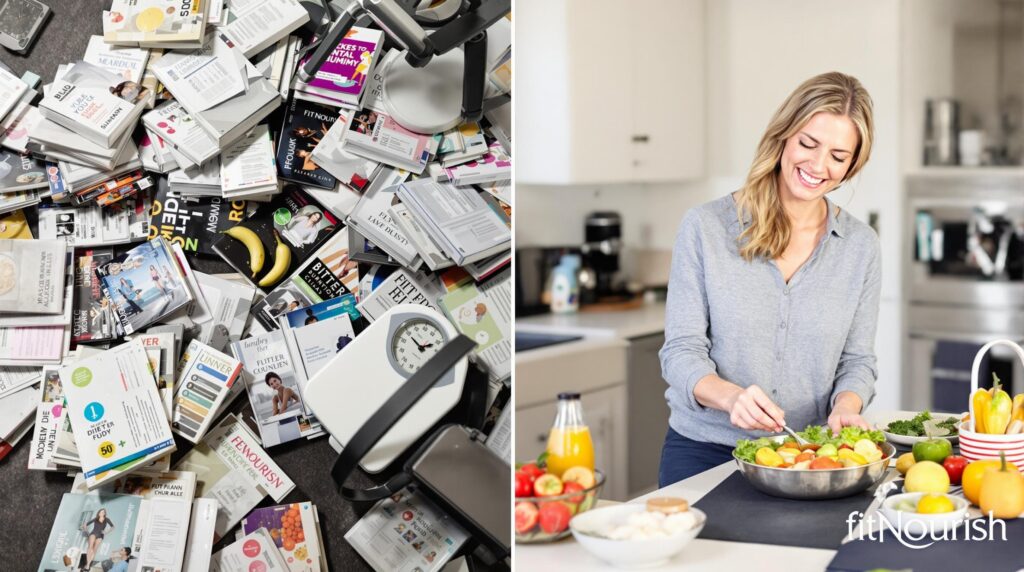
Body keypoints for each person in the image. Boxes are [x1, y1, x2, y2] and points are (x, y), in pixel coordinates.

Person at [658, 72, 880, 486]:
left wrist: (847, 406)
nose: (817, 166)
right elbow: (681, 353)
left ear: (852, 165)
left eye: (838, 155)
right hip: (704, 452)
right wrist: (732, 398)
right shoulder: (706, 227)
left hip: (808, 459)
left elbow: (857, 361)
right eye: (808, 144)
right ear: (783, 137)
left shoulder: (860, 246)